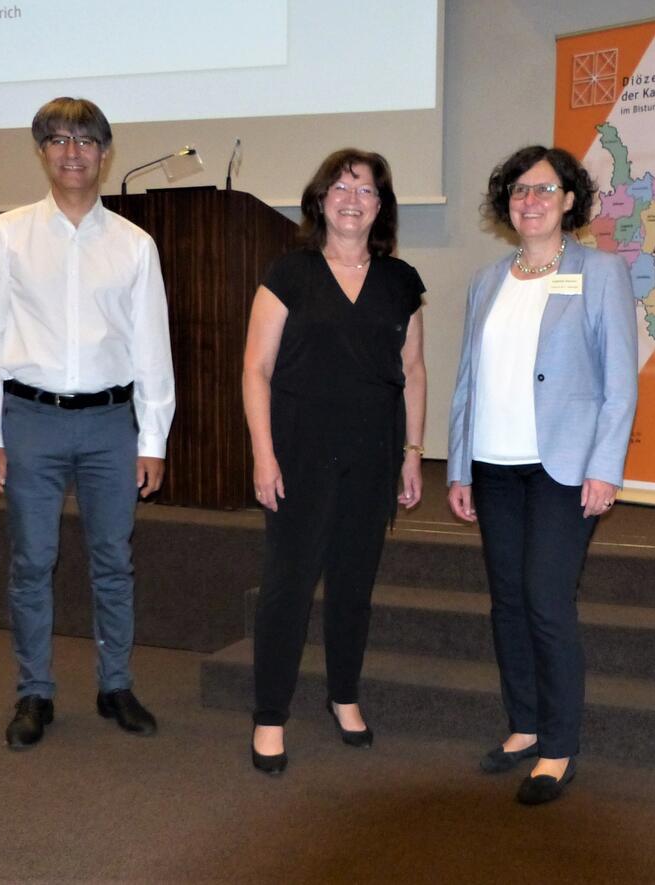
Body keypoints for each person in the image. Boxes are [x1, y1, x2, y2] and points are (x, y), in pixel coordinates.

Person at [0, 97, 176, 750]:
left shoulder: (134, 245)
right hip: (31, 421)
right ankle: (35, 691)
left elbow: (152, 349)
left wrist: (153, 439)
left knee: (114, 561)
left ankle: (116, 685)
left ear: (104, 154)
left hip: (111, 425)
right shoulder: (7, 235)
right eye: (57, 139)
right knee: (33, 561)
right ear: (42, 153)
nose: (72, 152)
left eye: (85, 140)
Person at [447, 145, 638, 805]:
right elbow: (467, 382)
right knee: (507, 601)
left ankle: (558, 745)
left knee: (546, 601)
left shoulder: (600, 272)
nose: (530, 201)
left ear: (569, 201)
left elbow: (620, 381)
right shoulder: (486, 280)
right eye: (519, 191)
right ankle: (524, 725)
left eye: (544, 189)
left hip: (564, 467)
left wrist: (606, 466)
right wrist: (459, 466)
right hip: (493, 465)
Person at [243, 149, 426, 775]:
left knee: (353, 586)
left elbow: (413, 371)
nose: (353, 199)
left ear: (381, 206)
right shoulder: (289, 273)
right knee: (288, 587)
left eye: (367, 190)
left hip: (374, 454)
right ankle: (271, 714)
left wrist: (412, 453)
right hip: (298, 453)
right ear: (320, 200)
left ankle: (344, 696)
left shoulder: (401, 281)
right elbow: (256, 368)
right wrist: (263, 455)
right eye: (341, 188)